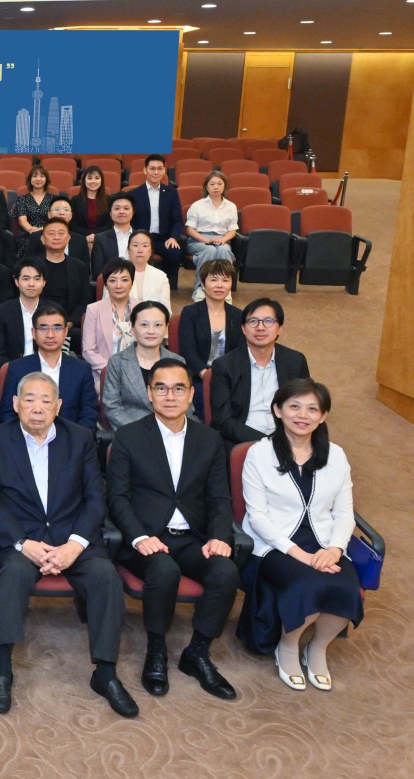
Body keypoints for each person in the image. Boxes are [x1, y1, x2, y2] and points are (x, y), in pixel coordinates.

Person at [0, 372, 137, 718]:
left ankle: (106, 672)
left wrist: (74, 545)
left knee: (106, 576)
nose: (37, 408)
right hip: (22, 540)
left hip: (72, 538)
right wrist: (22, 543)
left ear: (58, 406)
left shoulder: (80, 439)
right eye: (29, 399)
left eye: (46, 400)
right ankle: (2, 668)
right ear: (15, 404)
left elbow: (96, 498)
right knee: (12, 575)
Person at [108, 358, 239, 700]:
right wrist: (139, 537)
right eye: (161, 388)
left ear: (192, 394)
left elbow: (219, 497)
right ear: (149, 393)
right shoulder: (128, 436)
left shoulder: (209, 439)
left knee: (225, 571)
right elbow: (117, 497)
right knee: (164, 570)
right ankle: (157, 650)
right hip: (146, 538)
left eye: (179, 388)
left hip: (193, 538)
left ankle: (198, 652)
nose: (170, 396)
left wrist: (219, 537)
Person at [237, 379, 362, 692]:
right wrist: (300, 555)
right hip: (274, 545)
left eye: (312, 409)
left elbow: (345, 513)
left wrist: (335, 550)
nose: (302, 415)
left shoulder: (337, 456)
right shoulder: (259, 454)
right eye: (294, 406)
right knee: (309, 583)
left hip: (323, 541)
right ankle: (288, 646)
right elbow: (258, 516)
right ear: (278, 410)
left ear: (323, 415)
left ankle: (317, 648)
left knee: (347, 585)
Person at [209, 298, 310, 448]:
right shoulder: (224, 365)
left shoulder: (295, 361)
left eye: (268, 321)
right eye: (253, 321)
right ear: (243, 328)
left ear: (280, 328)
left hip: (287, 438)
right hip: (241, 441)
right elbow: (223, 420)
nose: (260, 327)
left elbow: (306, 406)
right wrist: (268, 442)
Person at [0, 302, 100, 433]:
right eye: (43, 328)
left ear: (65, 332)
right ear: (34, 333)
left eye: (57, 328)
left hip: (70, 440)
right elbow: (7, 414)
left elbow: (89, 415)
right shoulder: (16, 368)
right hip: (26, 439)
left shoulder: (81, 370)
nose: (50, 335)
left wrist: (73, 440)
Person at [103, 301, 187, 431]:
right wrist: (142, 431)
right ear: (132, 328)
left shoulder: (177, 361)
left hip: (172, 430)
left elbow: (186, 404)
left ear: (166, 328)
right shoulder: (117, 362)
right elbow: (112, 407)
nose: (151, 331)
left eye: (158, 325)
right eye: (144, 325)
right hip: (133, 432)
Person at [175, 259, 243, 420]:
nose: (220, 285)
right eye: (214, 280)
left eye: (225, 280)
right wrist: (206, 375)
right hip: (198, 376)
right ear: (203, 285)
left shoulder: (238, 315)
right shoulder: (190, 313)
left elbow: (240, 352)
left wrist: (224, 377)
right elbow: (188, 351)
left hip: (229, 377)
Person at [127, 154, 186, 289]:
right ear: (145, 170)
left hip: (164, 238)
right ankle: (140, 285)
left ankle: (165, 285)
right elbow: (130, 220)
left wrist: (173, 237)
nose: (156, 172)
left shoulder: (171, 193)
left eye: (159, 169)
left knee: (174, 253)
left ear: (164, 170)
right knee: (140, 253)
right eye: (152, 168)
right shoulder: (134, 194)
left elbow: (177, 220)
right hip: (141, 237)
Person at [82, 259, 137, 392]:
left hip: (137, 374)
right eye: (112, 280)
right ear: (106, 284)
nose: (119, 285)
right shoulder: (94, 310)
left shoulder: (142, 309)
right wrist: (111, 371)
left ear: (132, 282)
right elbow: (88, 350)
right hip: (104, 373)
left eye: (124, 280)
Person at [184, 170, 239, 302]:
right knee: (209, 250)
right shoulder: (197, 205)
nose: (216, 187)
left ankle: (225, 290)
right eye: (212, 184)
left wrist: (223, 240)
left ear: (224, 186)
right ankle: (200, 288)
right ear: (206, 187)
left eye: (219, 184)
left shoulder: (231, 206)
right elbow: (189, 230)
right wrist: (208, 240)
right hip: (199, 240)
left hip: (222, 240)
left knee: (224, 250)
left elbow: (232, 230)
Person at [35, 218, 93, 335]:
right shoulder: (32, 266)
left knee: (76, 335)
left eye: (61, 233)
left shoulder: (79, 267)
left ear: (68, 238)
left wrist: (68, 323)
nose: (56, 237)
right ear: (42, 239)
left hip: (69, 325)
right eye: (51, 233)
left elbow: (84, 300)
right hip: (38, 323)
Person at [0, 257, 46, 369]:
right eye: (26, 279)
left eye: (37, 279)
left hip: (45, 370)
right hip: (12, 369)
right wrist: (16, 368)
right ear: (16, 281)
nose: (31, 284)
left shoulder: (52, 311)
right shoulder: (2, 312)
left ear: (44, 282)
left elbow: (58, 349)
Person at [21, 197, 92, 265]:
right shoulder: (36, 237)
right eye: (57, 209)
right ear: (49, 214)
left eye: (66, 210)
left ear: (71, 215)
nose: (61, 213)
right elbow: (28, 264)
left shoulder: (80, 240)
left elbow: (85, 269)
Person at [90, 192, 136, 278]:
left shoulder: (142, 237)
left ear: (133, 212)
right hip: (111, 283)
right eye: (117, 208)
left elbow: (149, 267)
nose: (121, 212)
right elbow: (97, 271)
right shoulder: (101, 239)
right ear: (110, 213)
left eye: (126, 208)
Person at [126, 229, 171, 311]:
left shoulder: (161, 277)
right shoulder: (115, 274)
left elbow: (166, 311)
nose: (140, 250)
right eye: (135, 245)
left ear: (151, 251)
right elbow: (107, 308)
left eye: (145, 246)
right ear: (128, 250)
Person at [70, 165, 112, 247]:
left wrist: (95, 235)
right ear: (84, 181)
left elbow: (109, 224)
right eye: (89, 178)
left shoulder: (109, 200)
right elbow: (72, 223)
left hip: (103, 240)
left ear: (101, 181)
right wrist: (87, 236)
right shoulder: (75, 200)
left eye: (97, 178)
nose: (93, 181)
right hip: (79, 240)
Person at [10, 165, 56, 237]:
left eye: (42, 176)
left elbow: (55, 220)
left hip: (50, 234)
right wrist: (32, 231)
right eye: (34, 176)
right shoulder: (22, 199)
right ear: (30, 179)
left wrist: (43, 230)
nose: (38, 179)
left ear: (46, 179)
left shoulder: (54, 199)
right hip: (28, 235)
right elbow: (22, 221)